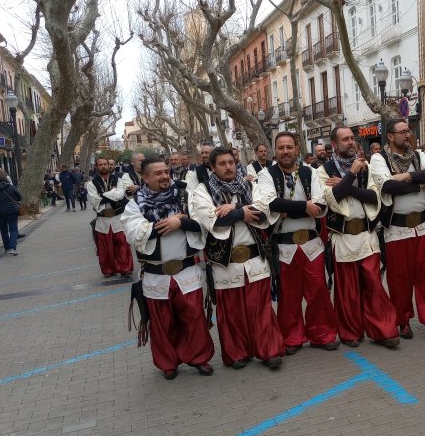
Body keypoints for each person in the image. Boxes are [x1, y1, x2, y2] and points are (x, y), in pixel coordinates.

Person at [191, 147, 285, 369]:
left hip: (254, 259)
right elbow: (213, 220)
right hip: (226, 262)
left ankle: (268, 351)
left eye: (231, 162)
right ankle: (237, 354)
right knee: (232, 313)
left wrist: (236, 208)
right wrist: (244, 213)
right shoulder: (202, 191)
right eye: (222, 164)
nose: (228, 167)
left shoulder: (249, 185)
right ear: (212, 168)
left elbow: (263, 212)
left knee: (261, 309)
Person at [121, 157, 215, 380]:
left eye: (166, 171)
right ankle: (168, 363)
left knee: (194, 319)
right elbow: (133, 232)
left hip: (187, 271)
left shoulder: (185, 195)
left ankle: (199, 358)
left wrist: (181, 223)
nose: (164, 176)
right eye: (158, 173)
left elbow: (202, 221)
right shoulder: (135, 203)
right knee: (163, 323)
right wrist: (169, 222)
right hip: (156, 275)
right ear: (145, 178)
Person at [368, 119, 425, 339]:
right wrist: (418, 182)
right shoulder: (379, 158)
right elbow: (387, 186)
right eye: (403, 131)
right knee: (400, 279)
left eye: (408, 131)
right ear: (390, 136)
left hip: (422, 226)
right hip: (397, 229)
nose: (407, 135)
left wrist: (406, 177)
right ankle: (402, 320)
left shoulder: (418, 155)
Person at [258, 132, 339, 354]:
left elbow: (321, 204)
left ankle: (321, 334)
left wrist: (288, 210)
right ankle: (292, 337)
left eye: (289, 147)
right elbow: (271, 203)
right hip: (284, 245)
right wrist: (304, 207)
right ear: (275, 150)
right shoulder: (266, 175)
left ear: (297, 149)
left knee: (318, 291)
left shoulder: (309, 172)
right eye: (281, 148)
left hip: (312, 243)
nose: (285, 151)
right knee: (289, 294)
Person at [319, 126, 399, 348]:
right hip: (343, 237)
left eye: (352, 138)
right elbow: (332, 198)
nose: (350, 142)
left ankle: (383, 330)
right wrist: (352, 174)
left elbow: (373, 197)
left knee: (374, 284)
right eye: (345, 139)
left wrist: (348, 184)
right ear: (334, 145)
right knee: (348, 290)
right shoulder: (324, 170)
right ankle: (350, 332)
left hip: (366, 235)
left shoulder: (367, 166)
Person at [87, 156, 134, 277]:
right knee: (104, 248)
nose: (103, 166)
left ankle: (125, 268)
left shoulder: (117, 180)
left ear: (109, 166)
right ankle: (108, 270)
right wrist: (110, 194)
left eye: (105, 164)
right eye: (100, 164)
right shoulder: (91, 183)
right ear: (96, 167)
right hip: (103, 219)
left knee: (122, 244)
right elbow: (94, 200)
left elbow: (119, 195)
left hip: (118, 217)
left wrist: (102, 195)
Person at [0, 169, 21, 256]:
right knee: (13, 230)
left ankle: (7, 249)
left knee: (3, 231)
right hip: (11, 212)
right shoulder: (10, 187)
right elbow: (19, 197)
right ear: (5, 178)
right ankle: (13, 247)